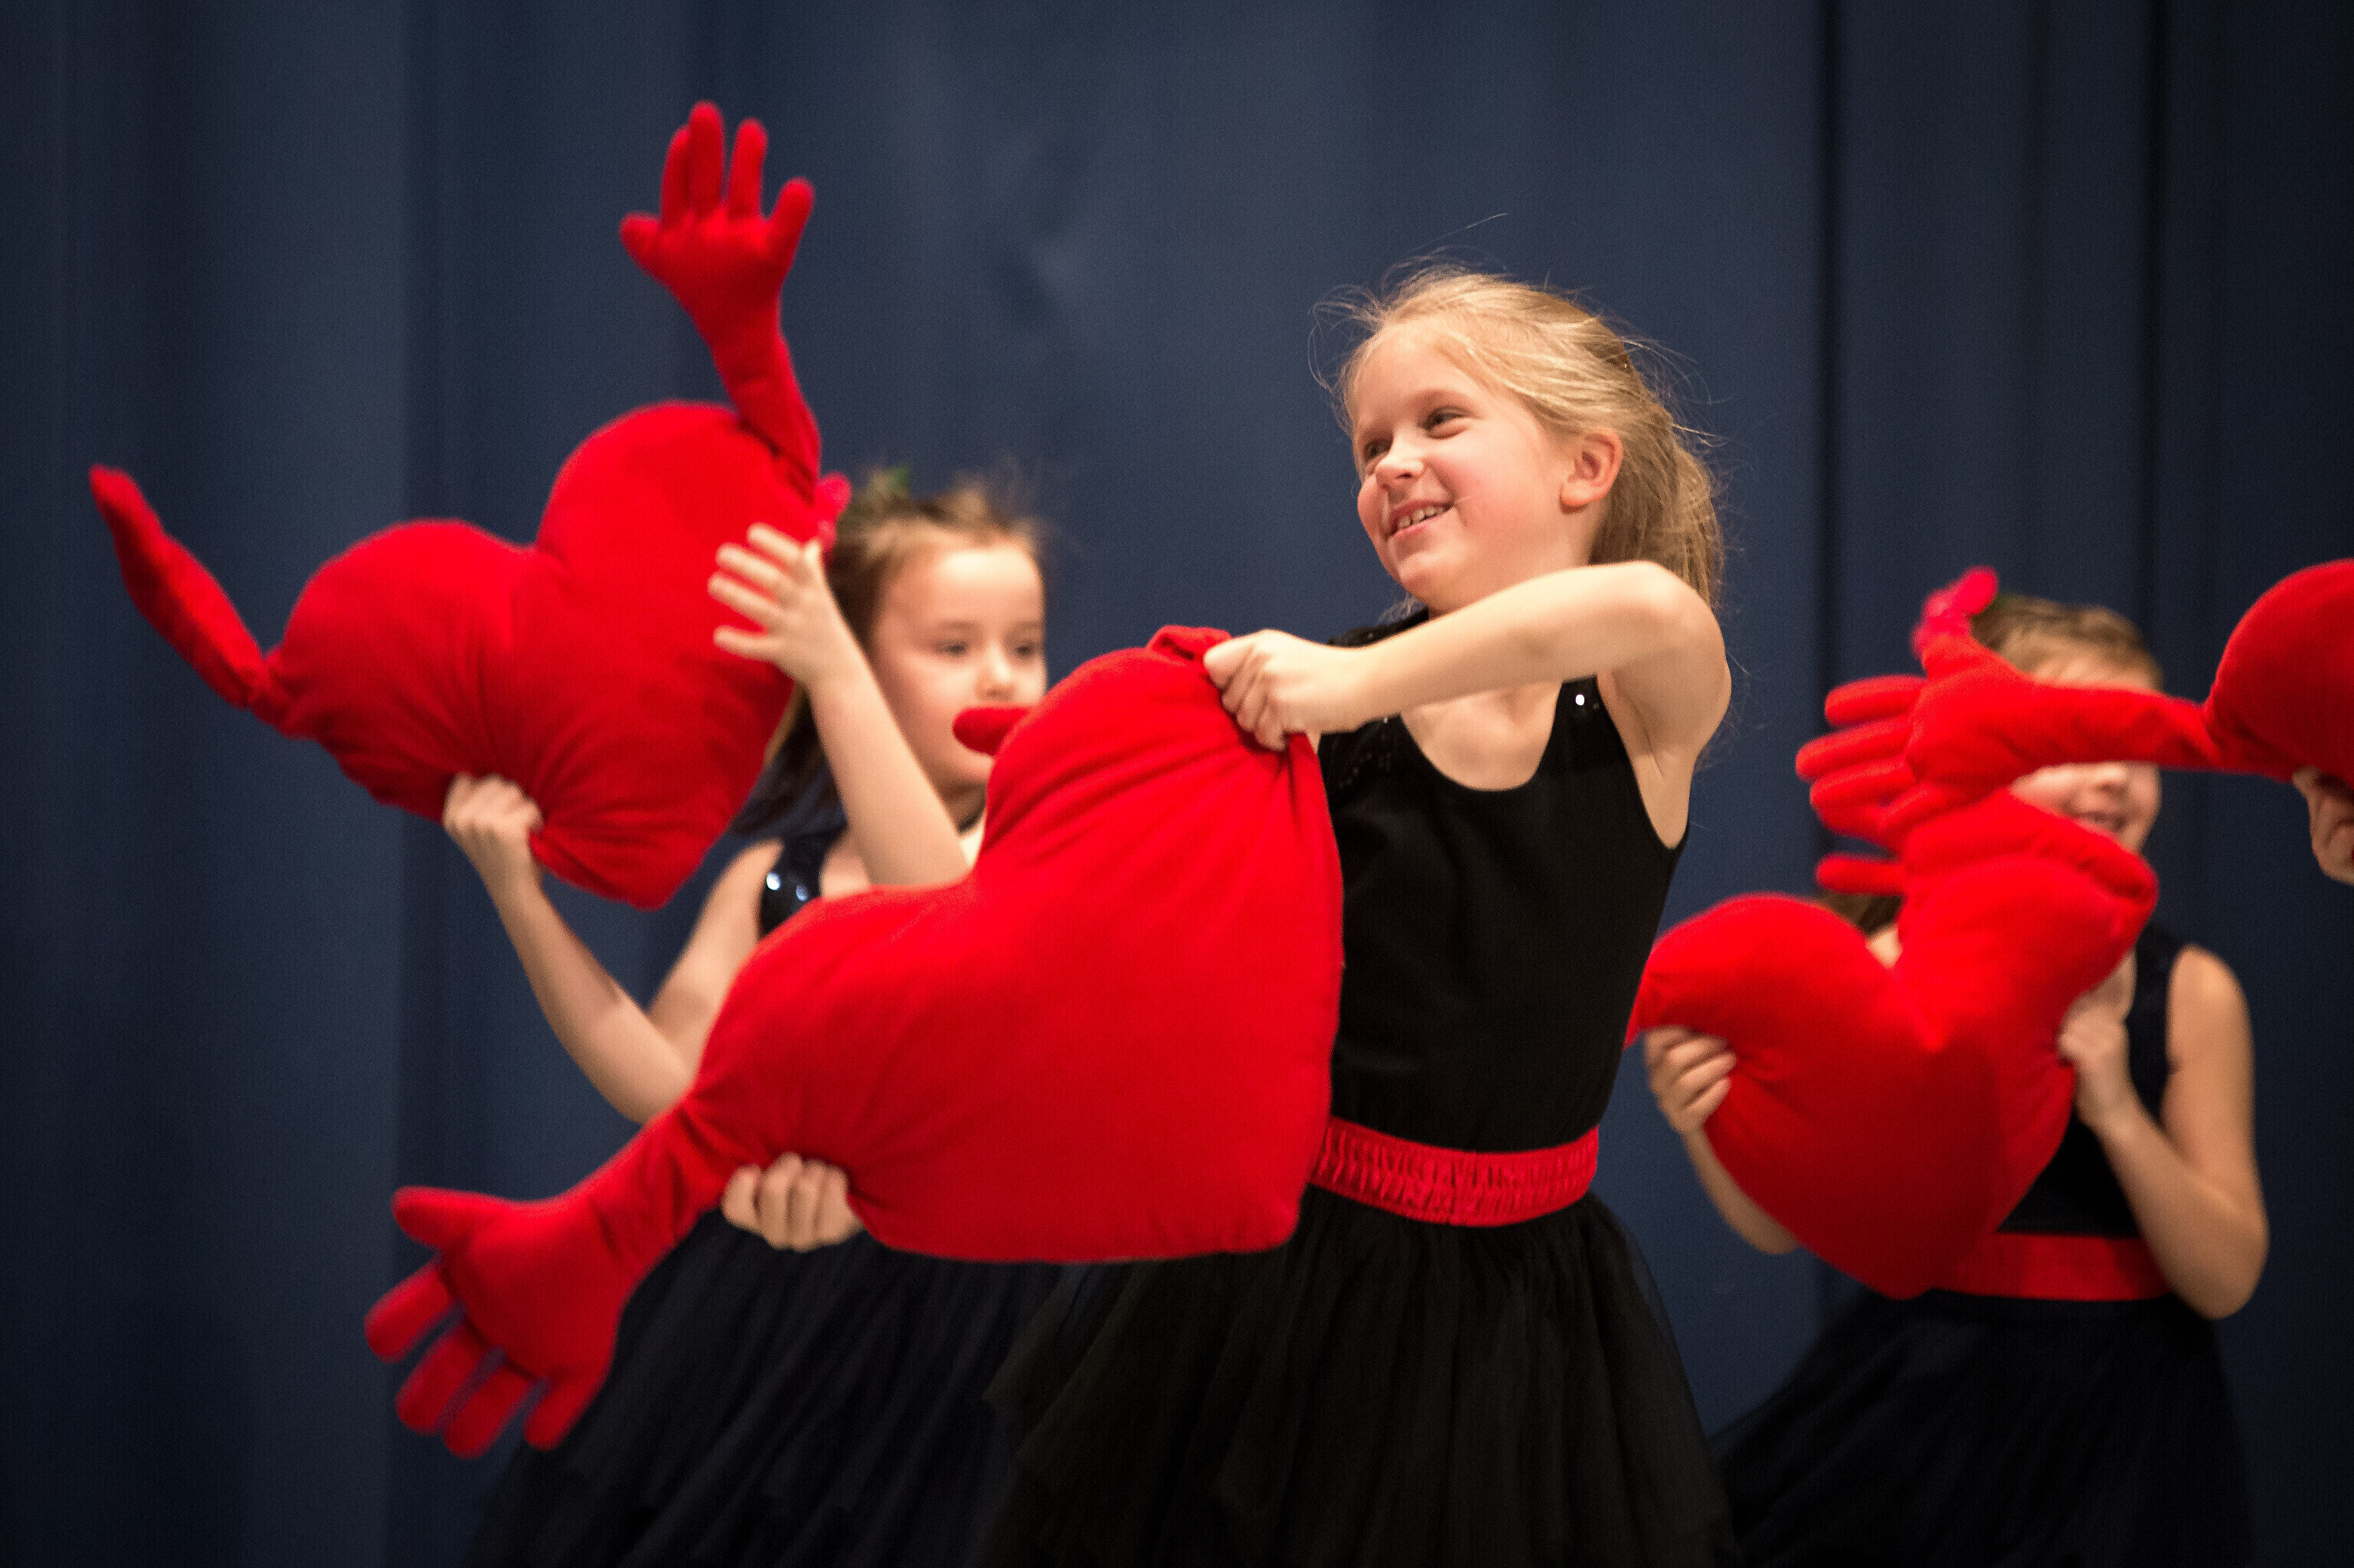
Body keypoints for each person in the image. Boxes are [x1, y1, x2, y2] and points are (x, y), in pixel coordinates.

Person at [976, 265, 1738, 1567]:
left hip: (1523, 1320)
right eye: (1368, 445)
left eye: (1439, 421)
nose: (1391, 462)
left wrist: (1348, 683)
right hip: (1283, 1286)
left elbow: (1650, 605)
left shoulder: (1636, 710)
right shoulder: (1317, 714)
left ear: (1584, 466)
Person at [446, 472, 1064, 1568]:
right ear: (852, 662)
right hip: (755, 1314)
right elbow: (665, 1090)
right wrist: (520, 899)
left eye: (1024, 645)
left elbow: (944, 929)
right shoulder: (772, 881)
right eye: (953, 646)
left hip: (953, 1342)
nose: (1000, 677)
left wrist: (832, 669)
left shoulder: (1044, 850)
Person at [1648, 593, 2265, 1566]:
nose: (2111, 773)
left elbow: (2225, 1276)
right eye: (2073, 739)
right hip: (1917, 1400)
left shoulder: (2189, 991)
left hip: (2122, 1420)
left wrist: (2114, 1104)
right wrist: (1699, 1117)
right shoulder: (1873, 967)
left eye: (2131, 742)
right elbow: (1780, 1224)